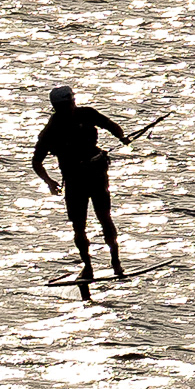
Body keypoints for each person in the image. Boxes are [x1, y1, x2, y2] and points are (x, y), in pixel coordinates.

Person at [30, 85, 136, 282]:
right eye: (66, 104)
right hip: (74, 180)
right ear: (57, 106)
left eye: (70, 102)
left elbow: (111, 125)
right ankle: (87, 266)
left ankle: (116, 263)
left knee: (104, 218)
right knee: (79, 226)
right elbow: (37, 162)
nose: (70, 106)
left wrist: (121, 137)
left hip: (96, 175)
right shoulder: (51, 130)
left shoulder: (86, 114)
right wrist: (50, 182)